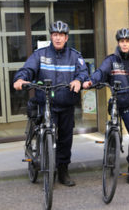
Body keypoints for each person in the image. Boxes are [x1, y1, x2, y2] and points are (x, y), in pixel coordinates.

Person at [13, 20, 89, 187]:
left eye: (61, 35)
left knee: (65, 139)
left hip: (67, 104)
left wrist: (78, 80)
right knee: (48, 133)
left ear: (66, 38)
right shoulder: (40, 55)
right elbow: (28, 69)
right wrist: (20, 78)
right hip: (46, 103)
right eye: (55, 35)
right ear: (51, 37)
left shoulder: (74, 56)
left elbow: (84, 72)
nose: (58, 38)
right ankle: (48, 166)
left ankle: (63, 170)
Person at [83, 28, 129, 185]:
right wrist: (91, 81)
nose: (124, 44)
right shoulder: (112, 60)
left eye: (127, 41)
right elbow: (101, 72)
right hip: (125, 102)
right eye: (122, 41)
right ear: (118, 43)